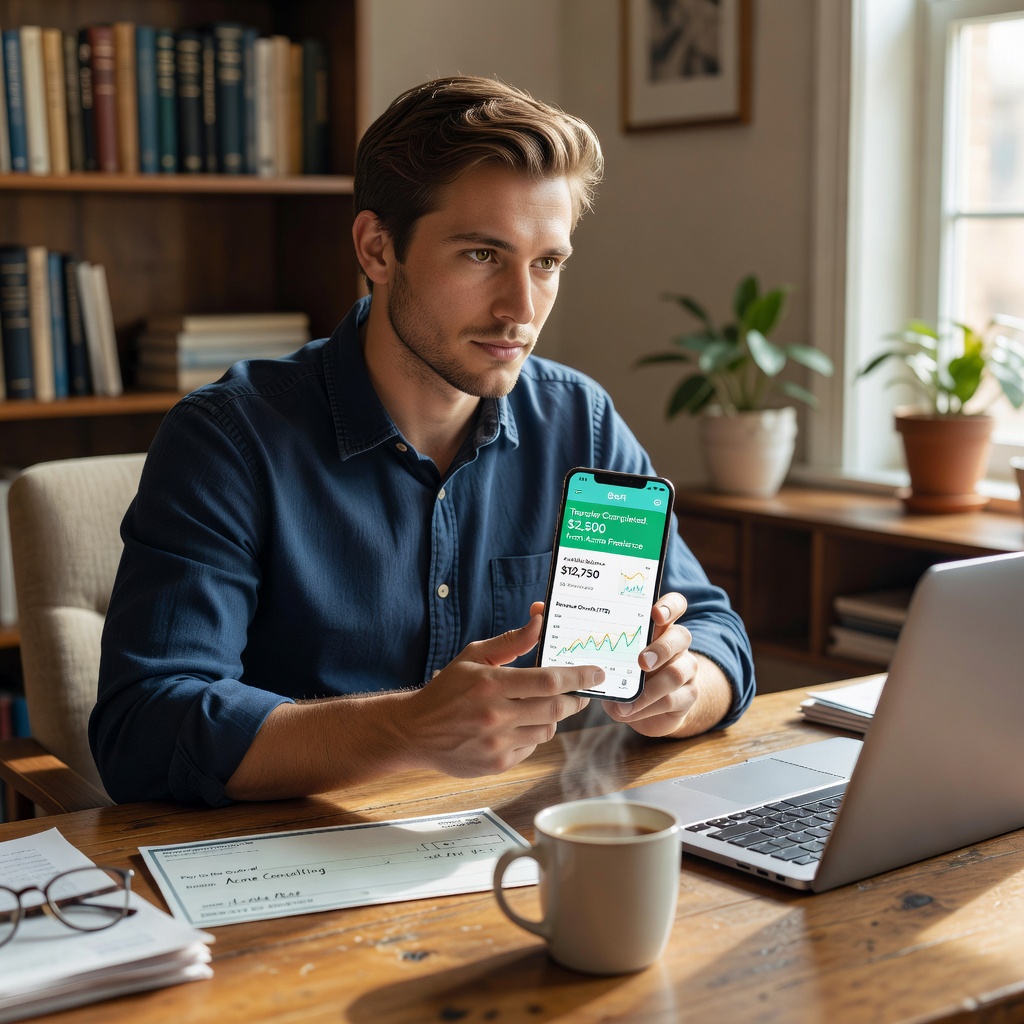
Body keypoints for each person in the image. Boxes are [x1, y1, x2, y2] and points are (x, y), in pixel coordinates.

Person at [89, 76, 755, 806]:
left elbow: (715, 630)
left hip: (523, 848)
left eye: (547, 263)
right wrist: (406, 728)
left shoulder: (580, 420)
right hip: (295, 869)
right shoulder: (229, 438)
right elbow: (143, 730)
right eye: (481, 255)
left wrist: (684, 690)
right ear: (378, 249)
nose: (520, 310)